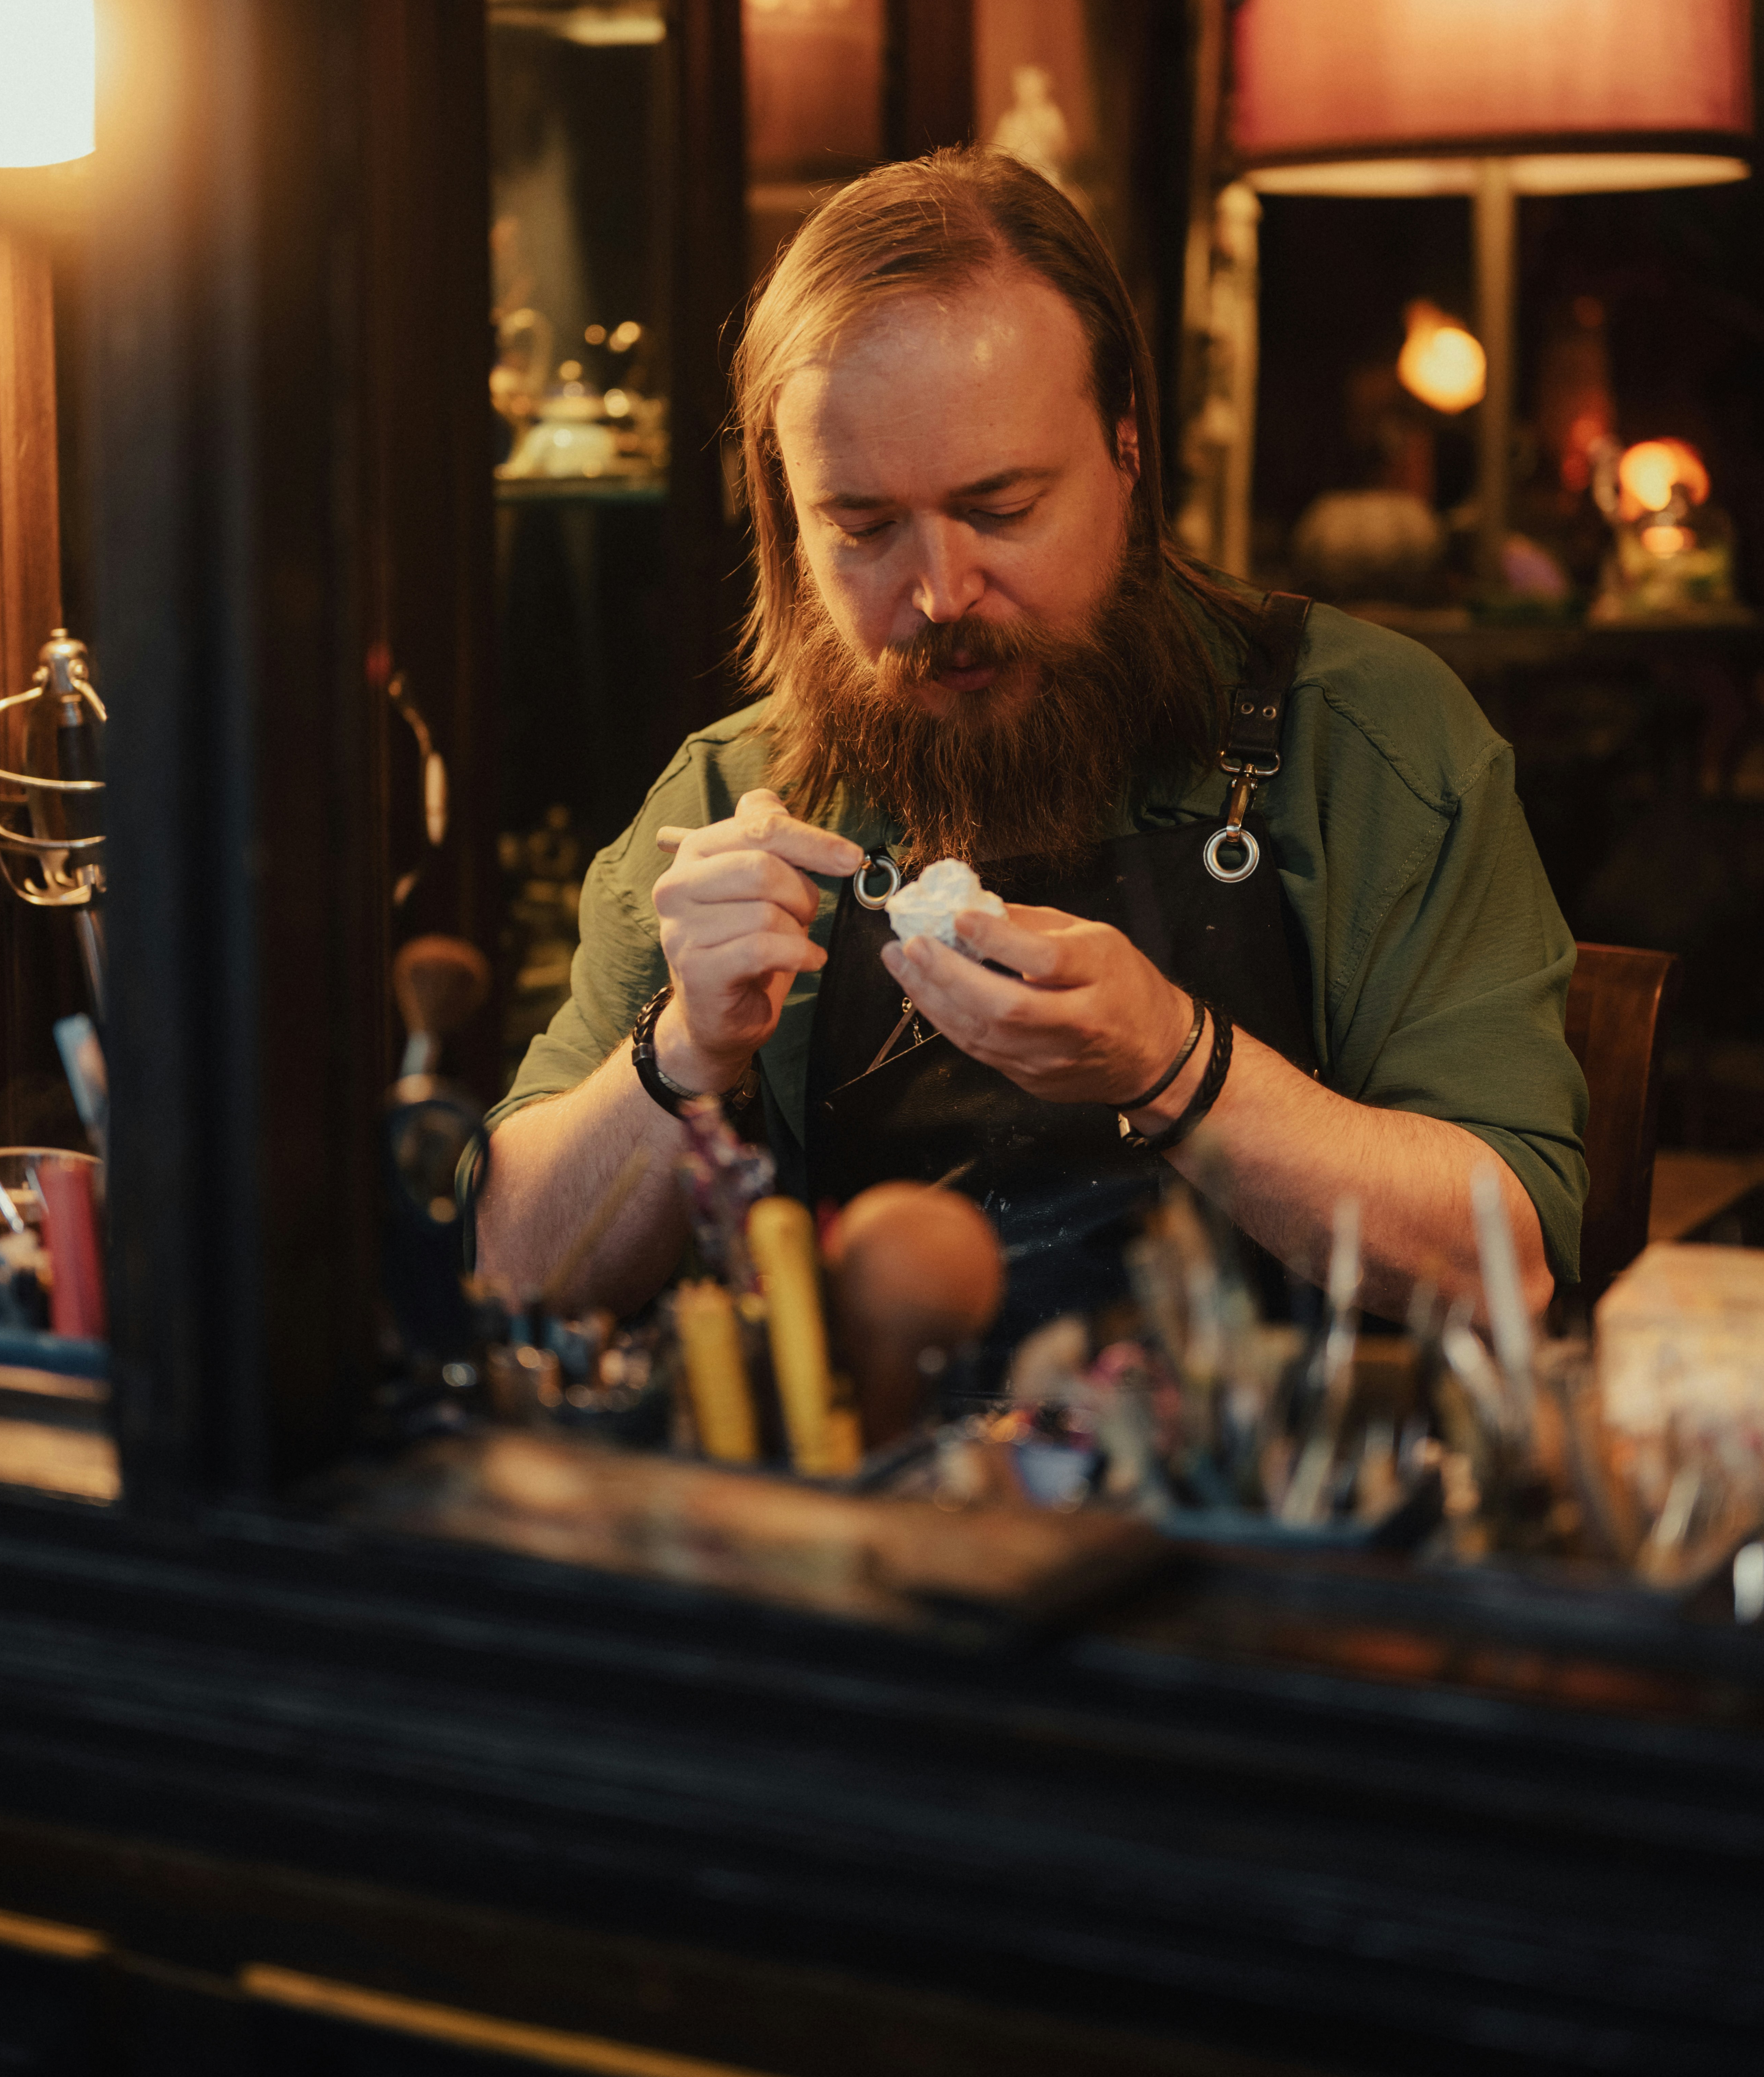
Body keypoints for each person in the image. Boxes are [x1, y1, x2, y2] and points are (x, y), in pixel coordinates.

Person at [476, 148, 1585, 1344]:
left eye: (1000, 511)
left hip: (1257, 1504)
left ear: (1126, 453)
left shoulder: (1361, 739)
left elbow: (1503, 1270)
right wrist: (686, 1051)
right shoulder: (735, 791)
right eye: (863, 527)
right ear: (788, 514)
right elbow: (507, 1278)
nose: (942, 592)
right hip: (857, 1502)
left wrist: (1172, 1063)